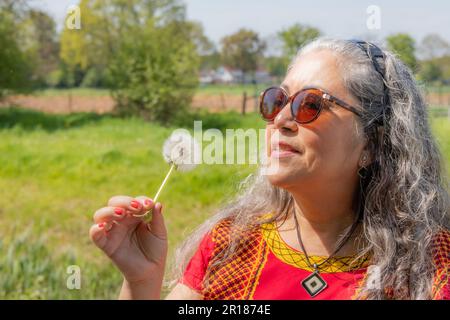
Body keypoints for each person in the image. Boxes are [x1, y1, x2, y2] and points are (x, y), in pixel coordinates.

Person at [89, 38, 450, 300]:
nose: (281, 118)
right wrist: (141, 282)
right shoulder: (230, 245)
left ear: (371, 144)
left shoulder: (431, 269)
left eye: (311, 105)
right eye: (277, 100)